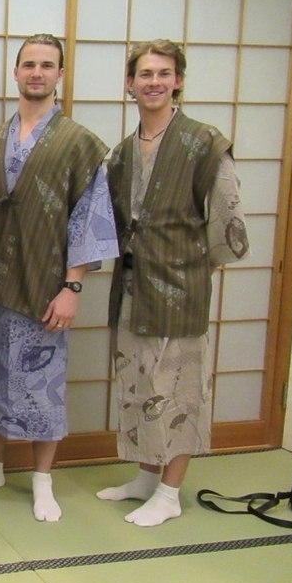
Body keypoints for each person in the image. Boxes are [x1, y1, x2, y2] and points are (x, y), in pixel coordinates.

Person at [0, 34, 118, 522]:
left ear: (60, 75)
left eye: (47, 65)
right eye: (29, 64)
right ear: (16, 72)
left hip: (46, 285)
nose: (37, 73)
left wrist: (72, 287)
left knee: (44, 383)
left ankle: (43, 479)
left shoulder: (79, 143)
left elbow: (89, 217)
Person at [98, 39, 249, 526]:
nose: (154, 82)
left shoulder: (203, 141)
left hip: (180, 287)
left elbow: (226, 216)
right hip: (133, 286)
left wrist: (196, 269)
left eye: (164, 73)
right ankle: (146, 474)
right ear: (130, 84)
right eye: (145, 74)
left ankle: (170, 489)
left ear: (178, 80)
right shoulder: (122, 152)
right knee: (139, 385)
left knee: (179, 390)